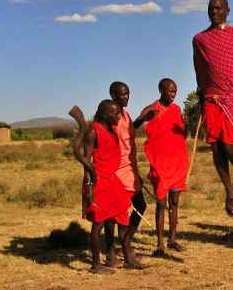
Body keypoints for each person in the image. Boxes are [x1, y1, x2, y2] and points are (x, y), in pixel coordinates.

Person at [192, 0, 233, 217]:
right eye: (211, 8)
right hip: (211, 98)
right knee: (216, 148)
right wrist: (201, 96)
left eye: (219, 8)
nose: (214, 11)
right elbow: (199, 69)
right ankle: (229, 191)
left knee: (229, 145)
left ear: (228, 10)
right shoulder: (200, 39)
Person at [79, 100, 138, 273]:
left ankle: (128, 258)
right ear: (105, 114)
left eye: (119, 113)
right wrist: (89, 186)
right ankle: (96, 264)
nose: (118, 116)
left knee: (123, 217)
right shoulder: (93, 131)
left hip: (112, 181)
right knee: (98, 224)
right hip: (98, 182)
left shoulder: (112, 130)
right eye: (115, 113)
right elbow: (86, 161)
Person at [137, 78, 190, 257]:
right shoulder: (152, 108)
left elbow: (184, 135)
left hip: (177, 162)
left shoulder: (176, 110)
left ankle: (172, 239)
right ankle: (159, 243)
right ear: (161, 90)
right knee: (161, 204)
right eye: (170, 91)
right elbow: (135, 125)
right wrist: (145, 117)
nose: (173, 94)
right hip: (160, 163)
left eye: (175, 91)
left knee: (174, 203)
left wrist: (187, 125)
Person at [99, 81, 148, 267]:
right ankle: (117, 253)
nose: (126, 97)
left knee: (140, 206)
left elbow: (128, 136)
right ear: (113, 95)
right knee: (115, 214)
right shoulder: (110, 117)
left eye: (128, 93)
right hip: (116, 171)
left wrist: (142, 119)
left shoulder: (125, 115)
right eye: (122, 94)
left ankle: (125, 245)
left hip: (130, 169)